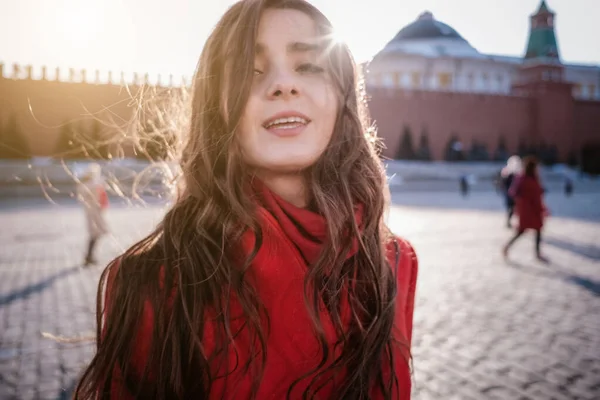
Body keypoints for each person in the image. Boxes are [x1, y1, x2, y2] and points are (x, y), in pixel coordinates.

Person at [74, 1, 418, 399]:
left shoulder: (392, 263)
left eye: (308, 65)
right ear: (216, 109)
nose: (283, 84)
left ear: (342, 99)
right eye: (248, 71)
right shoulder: (153, 283)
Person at [503, 156, 548, 262]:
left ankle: (536, 252)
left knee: (534, 230)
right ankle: (508, 247)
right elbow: (517, 193)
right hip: (530, 210)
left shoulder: (527, 178)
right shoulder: (526, 179)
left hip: (529, 210)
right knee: (525, 231)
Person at [76, 163, 109, 266]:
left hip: (94, 212)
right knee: (95, 233)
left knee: (96, 233)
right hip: (93, 213)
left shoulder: (87, 184)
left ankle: (89, 256)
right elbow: (89, 198)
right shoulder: (90, 184)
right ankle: (89, 257)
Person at [500, 155, 522, 228]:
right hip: (511, 193)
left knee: (513, 208)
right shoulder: (507, 172)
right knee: (512, 208)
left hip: (512, 193)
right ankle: (509, 222)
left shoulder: (510, 172)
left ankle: (513, 222)